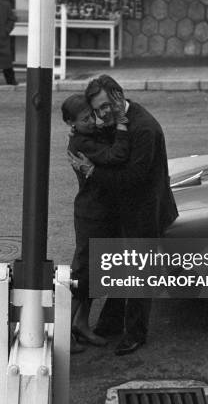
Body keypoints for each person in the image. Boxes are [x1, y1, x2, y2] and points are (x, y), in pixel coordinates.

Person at [70, 75, 178, 356]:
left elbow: (133, 178)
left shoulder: (145, 128)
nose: (103, 114)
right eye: (97, 110)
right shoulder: (119, 121)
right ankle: (113, 321)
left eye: (106, 106)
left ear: (119, 95)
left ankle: (136, 334)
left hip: (145, 211)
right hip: (126, 209)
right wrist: (79, 137)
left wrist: (93, 171)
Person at [62, 93, 131, 352]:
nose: (92, 121)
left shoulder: (88, 136)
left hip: (102, 213)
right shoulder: (82, 143)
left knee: (94, 274)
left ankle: (80, 325)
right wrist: (123, 127)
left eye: (92, 115)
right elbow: (115, 156)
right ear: (71, 123)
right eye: (85, 118)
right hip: (92, 215)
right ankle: (63, 331)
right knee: (82, 273)